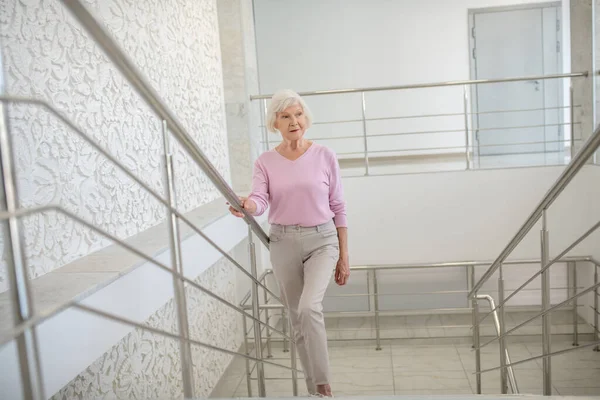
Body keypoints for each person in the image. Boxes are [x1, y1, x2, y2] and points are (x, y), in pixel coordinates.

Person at [228, 89, 349, 397]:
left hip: (323, 240)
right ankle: (315, 390)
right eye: (285, 116)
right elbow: (259, 199)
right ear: (275, 124)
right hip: (282, 241)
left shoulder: (325, 156)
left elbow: (339, 206)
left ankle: (323, 383)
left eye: (298, 114)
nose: (294, 121)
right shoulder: (265, 161)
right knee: (296, 319)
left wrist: (344, 255)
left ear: (305, 118)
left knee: (309, 308)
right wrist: (247, 206)